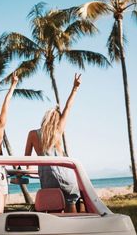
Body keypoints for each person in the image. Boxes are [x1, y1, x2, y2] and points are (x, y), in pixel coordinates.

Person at [25, 73, 81, 212]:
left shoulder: (33, 134)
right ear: (56, 120)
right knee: (71, 201)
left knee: (52, 206)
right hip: (64, 173)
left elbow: (26, 159)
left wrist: (30, 171)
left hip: (47, 176)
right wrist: (75, 88)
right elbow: (68, 108)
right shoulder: (58, 131)